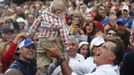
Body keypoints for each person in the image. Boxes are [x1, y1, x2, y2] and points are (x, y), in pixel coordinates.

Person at [27, 0, 70, 72]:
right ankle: (55, 65)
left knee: (41, 56)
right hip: (52, 42)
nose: (64, 16)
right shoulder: (59, 22)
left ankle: (43, 69)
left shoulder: (43, 16)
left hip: (41, 42)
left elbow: (35, 25)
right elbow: (64, 35)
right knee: (62, 54)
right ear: (58, 12)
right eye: (64, 14)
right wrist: (66, 46)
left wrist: (30, 34)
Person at [45, 38, 125, 75]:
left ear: (112, 56)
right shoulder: (95, 67)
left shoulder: (106, 72)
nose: (98, 48)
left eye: (104, 47)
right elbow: (74, 65)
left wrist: (60, 56)